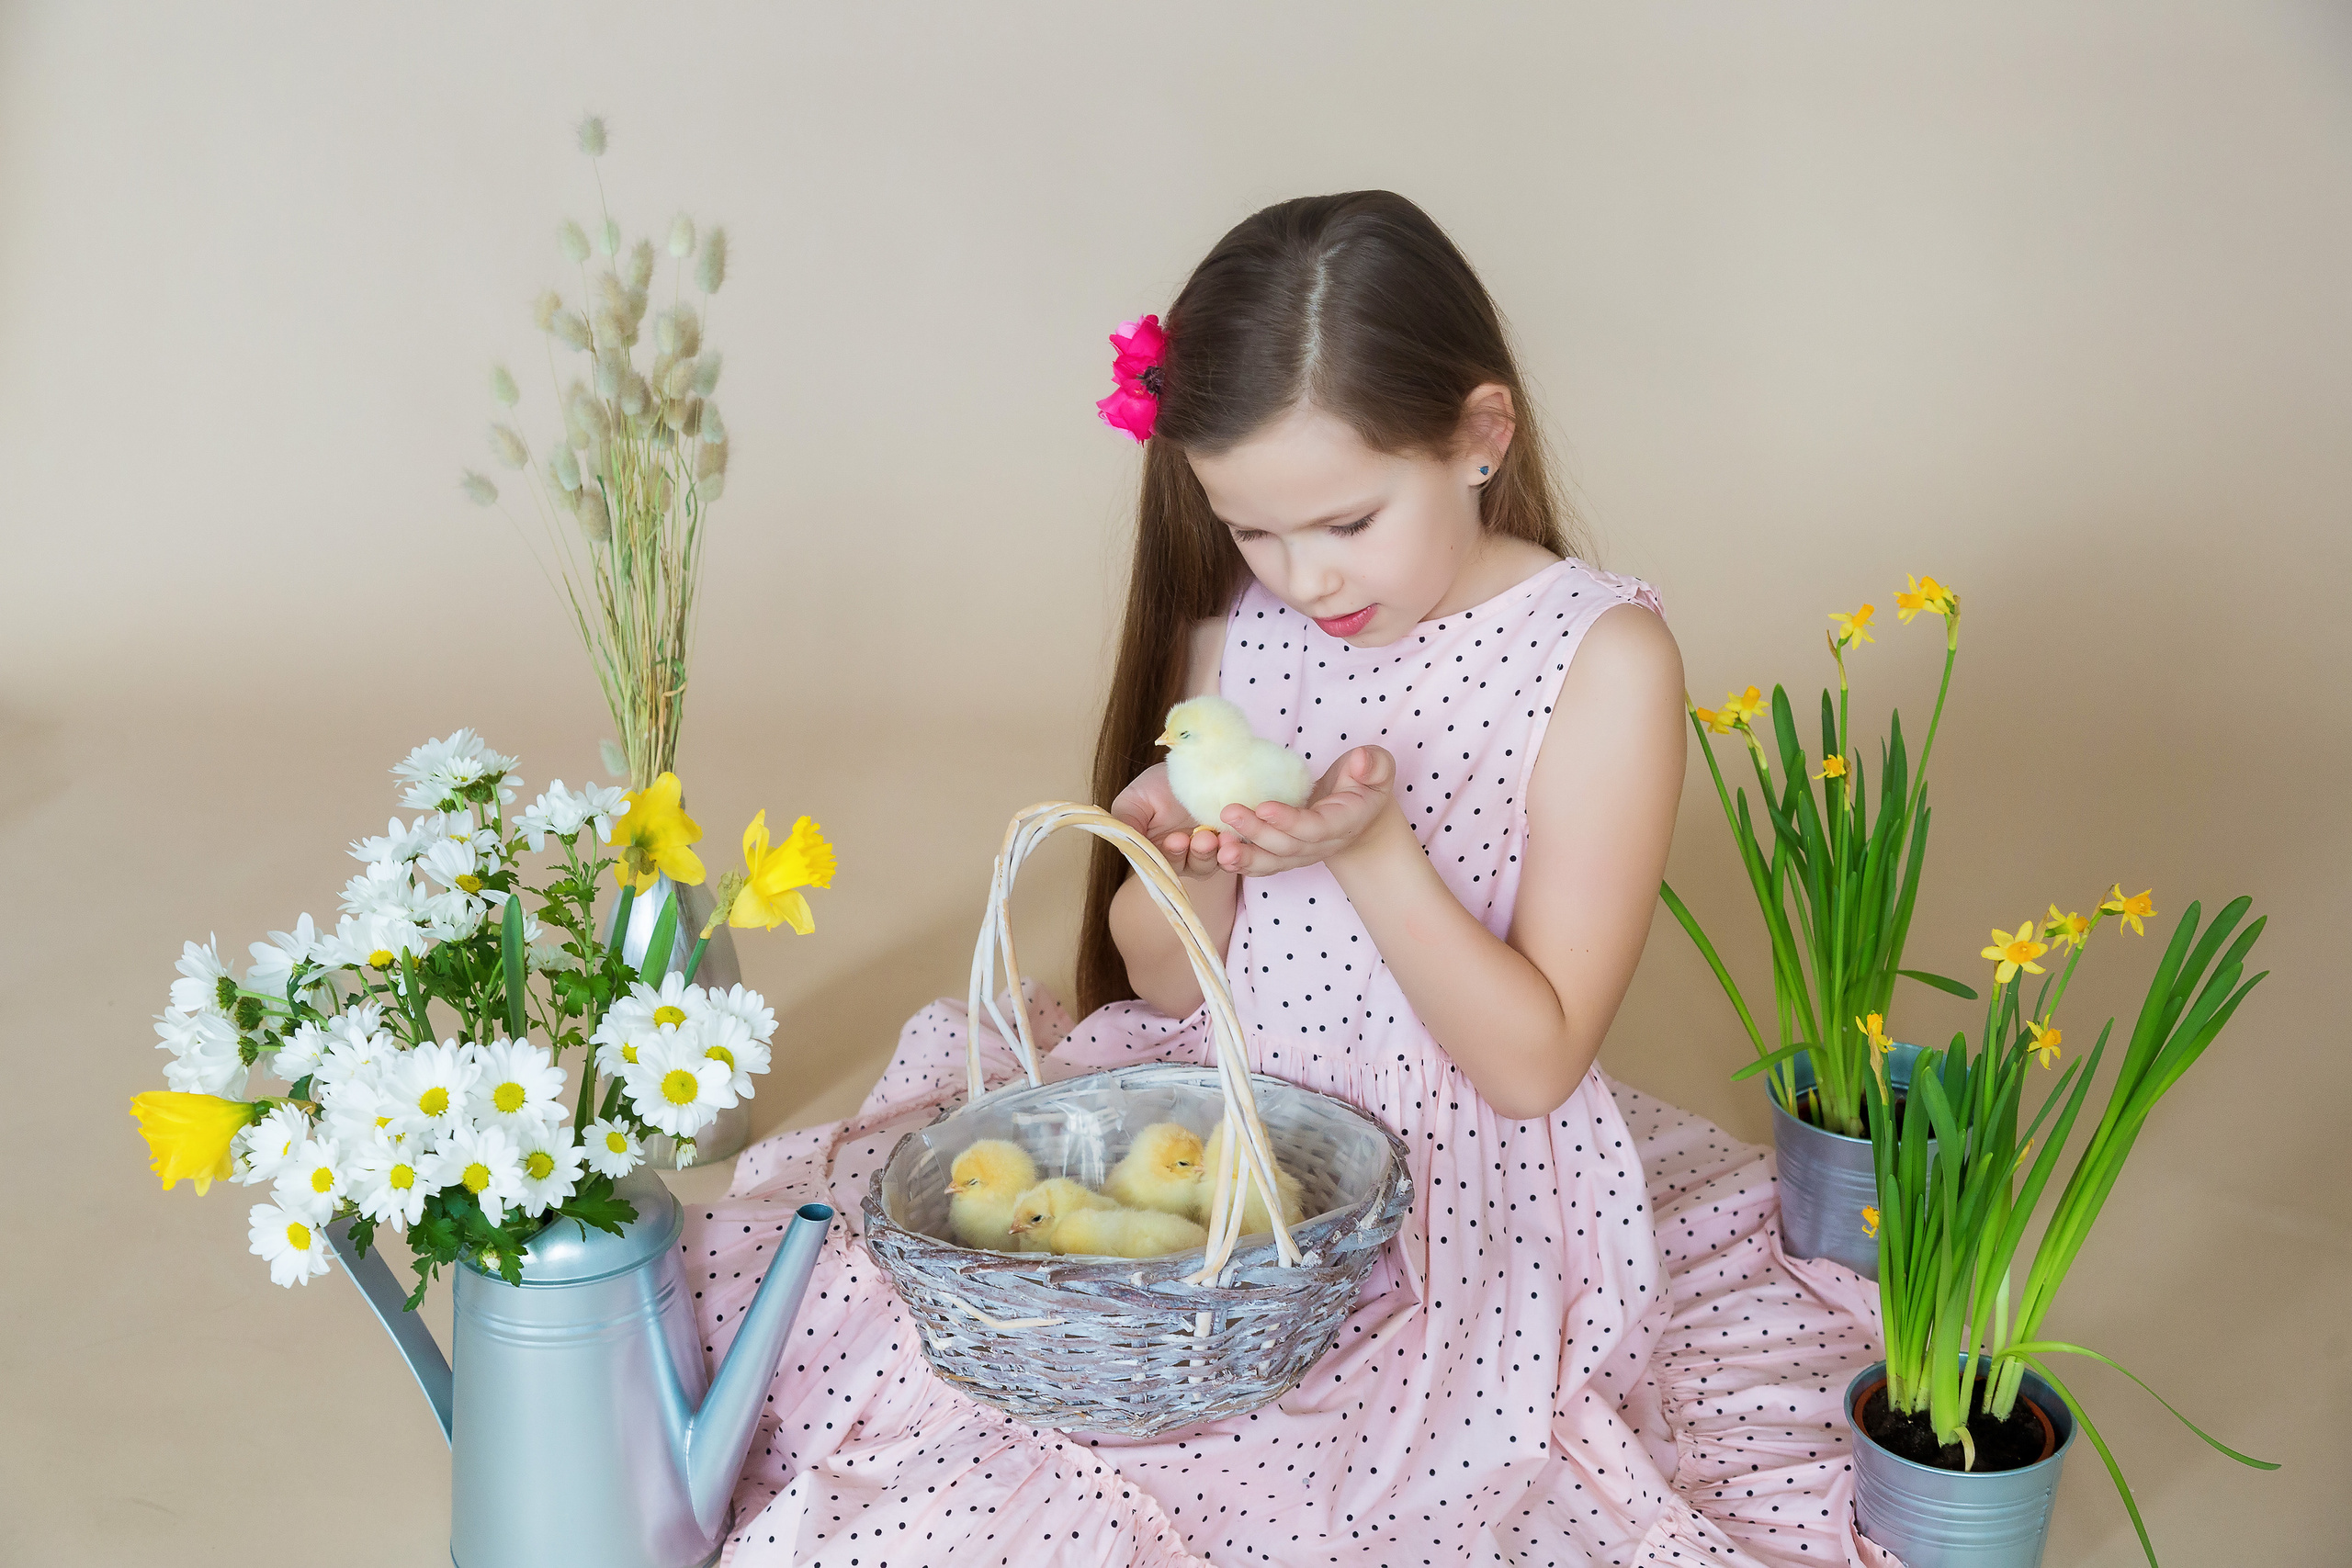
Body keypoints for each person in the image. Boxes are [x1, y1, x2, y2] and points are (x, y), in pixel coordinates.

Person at [682, 191, 1895, 1566]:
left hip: (1451, 1181)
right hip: (1223, 1118)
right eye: (1256, 533)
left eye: (1347, 522)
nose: (1304, 578)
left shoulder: (1597, 662)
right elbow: (1159, 978)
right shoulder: (1247, 636)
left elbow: (1536, 1065)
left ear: (1479, 437)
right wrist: (1182, 869)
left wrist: (1374, 856)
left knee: (1299, 1466)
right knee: (920, 1318)